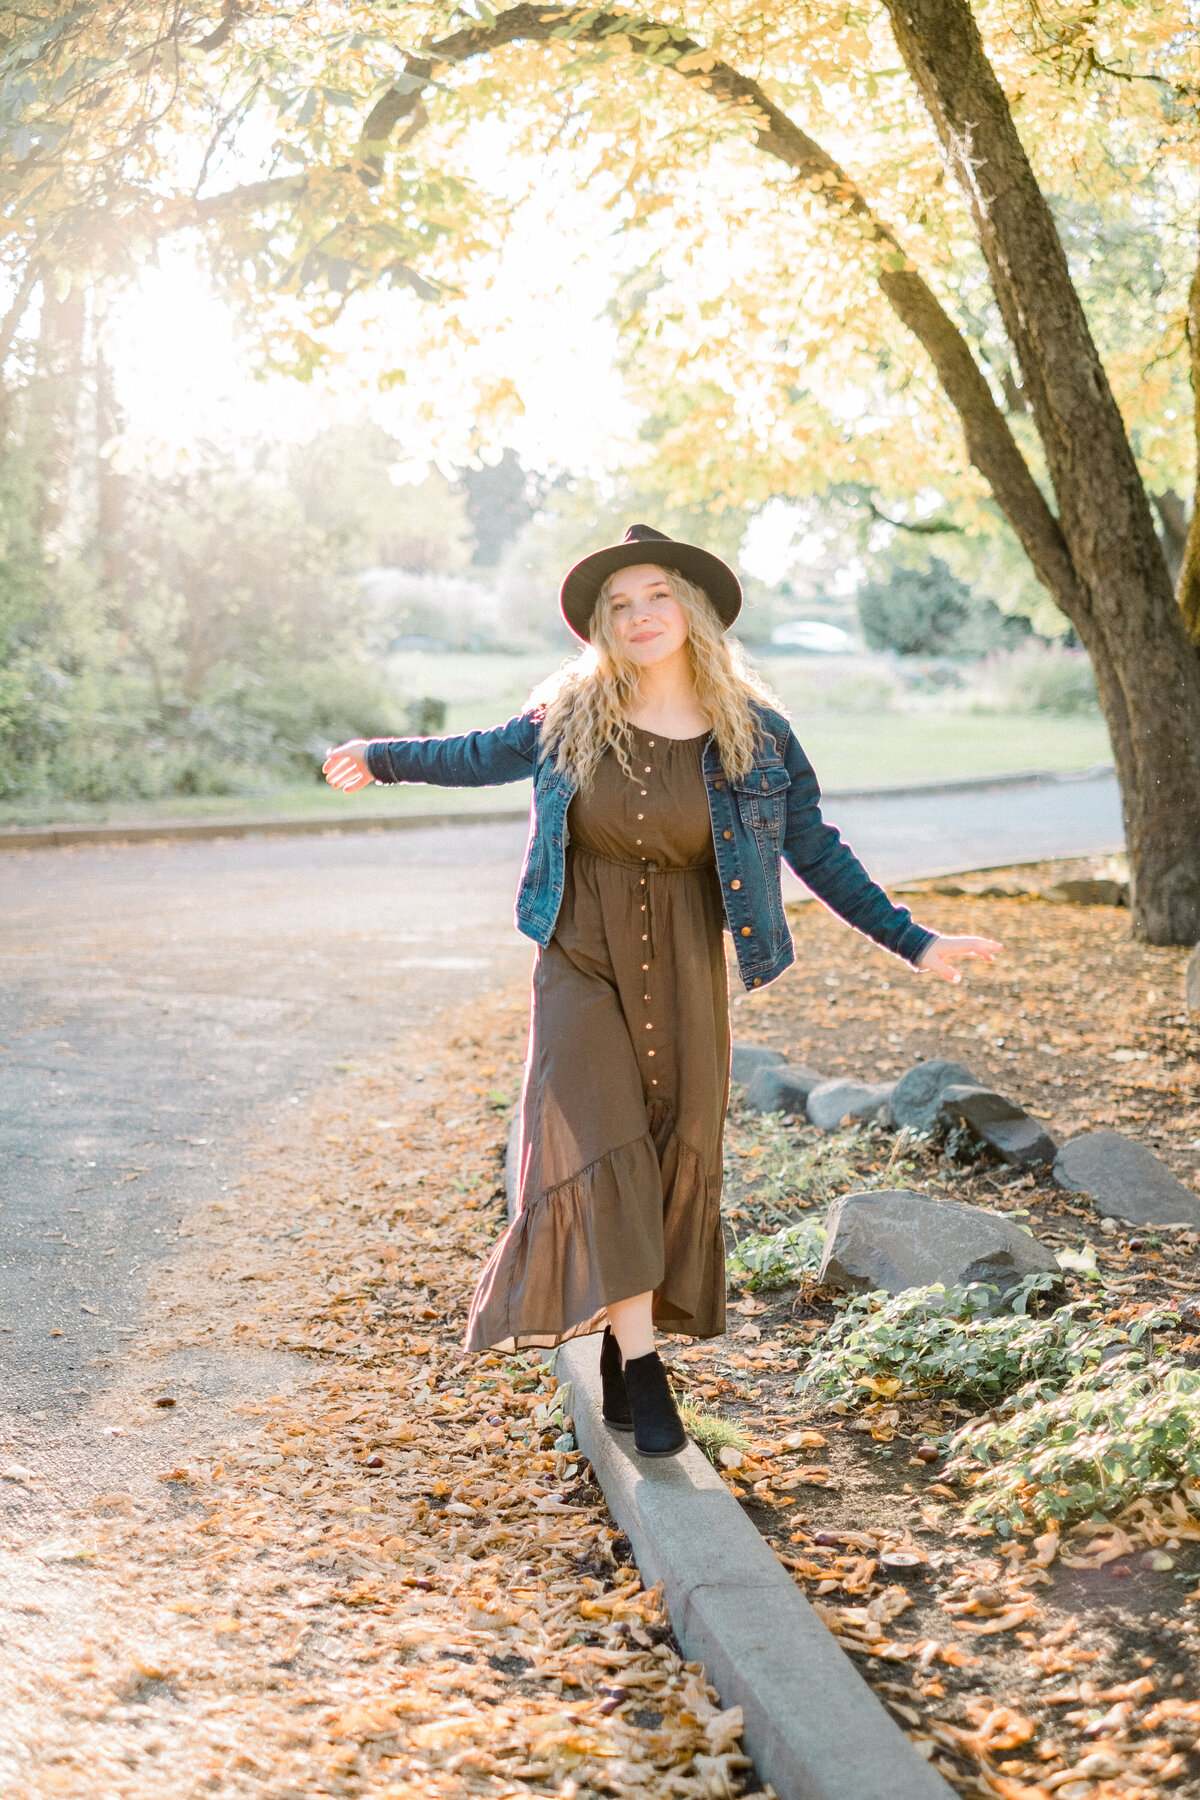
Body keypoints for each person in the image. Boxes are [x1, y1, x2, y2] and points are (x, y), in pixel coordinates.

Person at [323, 524, 1000, 1458]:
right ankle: (645, 1374)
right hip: (581, 956)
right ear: (602, 625)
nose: (640, 616)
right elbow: (477, 753)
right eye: (620, 604)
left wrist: (913, 940)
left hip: (685, 964)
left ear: (693, 607)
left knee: (664, 1151)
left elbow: (816, 850)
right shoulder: (570, 714)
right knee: (603, 1147)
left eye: (656, 596)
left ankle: (616, 1346)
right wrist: (382, 753)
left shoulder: (756, 737)